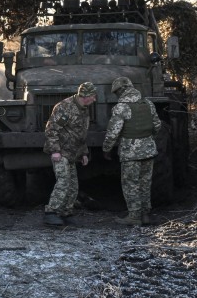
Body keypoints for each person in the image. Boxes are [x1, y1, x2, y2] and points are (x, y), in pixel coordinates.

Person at [103, 76, 161, 226]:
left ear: (120, 91)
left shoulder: (121, 107)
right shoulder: (148, 103)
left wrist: (107, 149)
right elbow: (157, 125)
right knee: (145, 182)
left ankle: (134, 216)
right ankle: (146, 214)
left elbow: (113, 132)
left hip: (130, 152)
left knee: (131, 184)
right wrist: (147, 140)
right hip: (148, 150)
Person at [42, 81, 97, 226]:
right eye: (92, 96)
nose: (94, 99)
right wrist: (55, 150)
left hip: (73, 153)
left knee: (73, 185)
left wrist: (84, 153)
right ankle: (51, 212)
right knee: (64, 181)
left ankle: (66, 213)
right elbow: (51, 129)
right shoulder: (64, 107)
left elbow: (80, 133)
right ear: (85, 96)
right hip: (61, 152)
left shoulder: (84, 109)